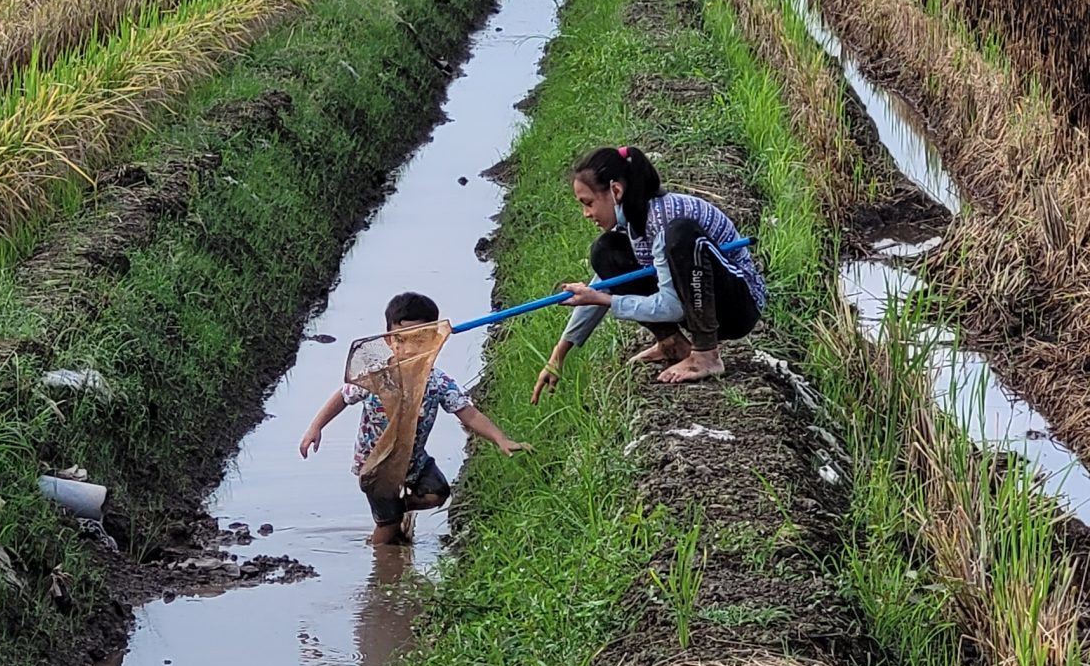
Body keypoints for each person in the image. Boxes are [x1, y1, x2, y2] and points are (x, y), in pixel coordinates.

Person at [299, 290, 529, 545]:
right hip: (377, 465)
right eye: (400, 340)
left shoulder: (437, 382)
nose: (408, 349)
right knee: (387, 528)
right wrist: (315, 428)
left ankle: (394, 514)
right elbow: (343, 396)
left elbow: (468, 413)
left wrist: (500, 438)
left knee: (437, 494)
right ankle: (379, 566)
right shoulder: (376, 376)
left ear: (432, 340)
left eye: (418, 340)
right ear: (388, 340)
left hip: (414, 460)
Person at [532, 145, 764, 398]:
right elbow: (601, 285)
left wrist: (605, 300)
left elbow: (671, 306)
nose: (586, 214)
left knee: (681, 235)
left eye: (588, 203)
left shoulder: (665, 222)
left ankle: (706, 354)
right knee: (605, 251)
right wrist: (558, 355)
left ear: (615, 191)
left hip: (739, 305)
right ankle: (671, 343)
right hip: (701, 300)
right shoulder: (633, 223)